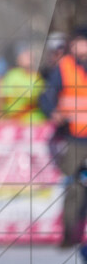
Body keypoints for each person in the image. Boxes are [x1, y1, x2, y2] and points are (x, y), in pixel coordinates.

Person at [40, 26, 87, 249]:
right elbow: (46, 96)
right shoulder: (65, 67)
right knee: (75, 189)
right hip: (76, 138)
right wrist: (53, 112)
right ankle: (70, 235)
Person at [0, 41, 46, 123]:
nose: (29, 56)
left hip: (38, 121)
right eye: (25, 54)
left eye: (30, 53)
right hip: (16, 121)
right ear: (18, 58)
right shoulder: (12, 76)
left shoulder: (38, 77)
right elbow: (5, 100)